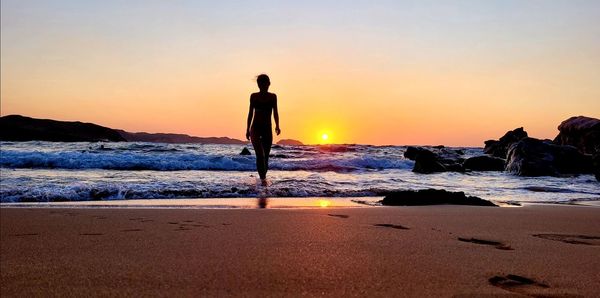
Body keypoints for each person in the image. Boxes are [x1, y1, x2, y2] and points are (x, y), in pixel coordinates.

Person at [246, 74, 280, 184]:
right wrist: (247, 129)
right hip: (255, 128)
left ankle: (263, 179)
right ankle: (262, 181)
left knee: (265, 157)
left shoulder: (273, 97)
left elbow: (275, 112)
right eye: (260, 83)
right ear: (258, 84)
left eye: (264, 83)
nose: (262, 85)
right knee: (260, 154)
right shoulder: (253, 96)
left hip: (267, 129)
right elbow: (250, 113)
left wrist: (277, 125)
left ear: (268, 84)